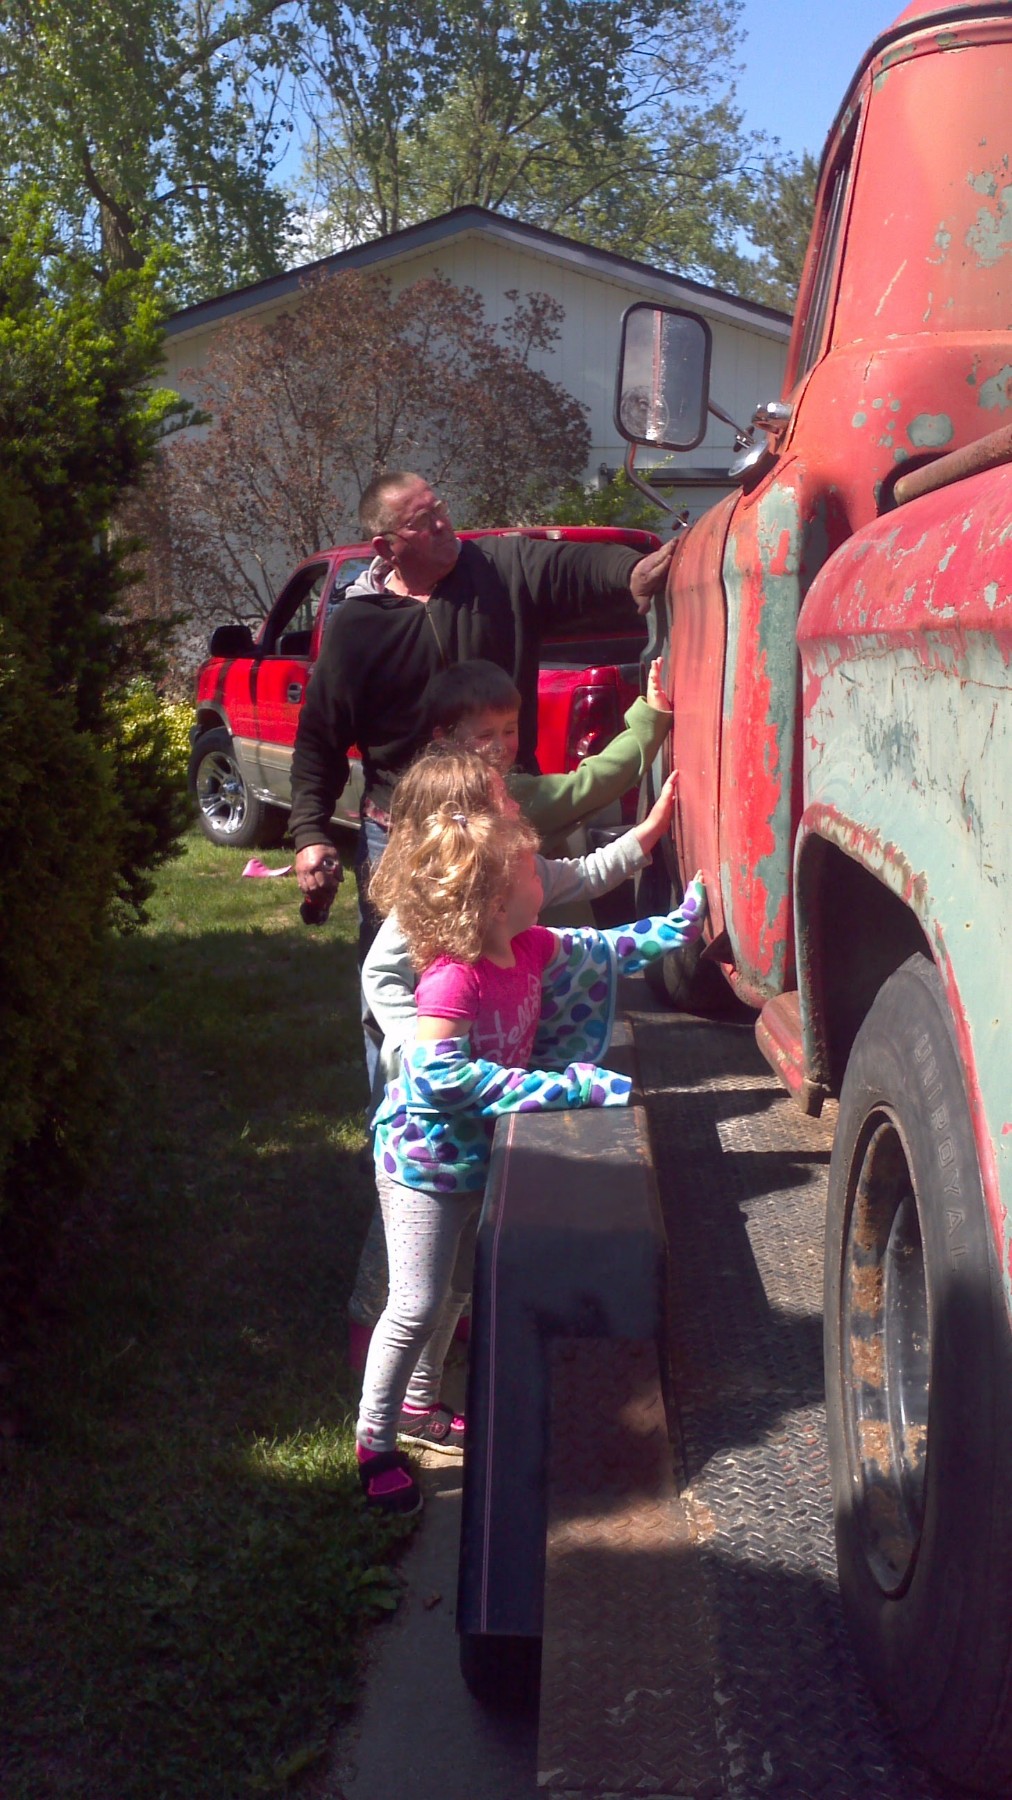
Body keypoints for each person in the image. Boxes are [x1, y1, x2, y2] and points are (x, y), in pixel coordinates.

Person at [353, 747, 705, 1513]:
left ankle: (418, 1404)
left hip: (467, 1157)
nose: (546, 876)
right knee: (413, 1304)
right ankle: (373, 1441)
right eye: (531, 872)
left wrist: (676, 929)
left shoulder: (526, 945)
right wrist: (559, 1087)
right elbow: (442, 1080)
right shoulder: (454, 976)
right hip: (420, 1165)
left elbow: (603, 947)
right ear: (489, 899)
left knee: (450, 1296)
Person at [289, 470, 677, 965]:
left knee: (505, 955)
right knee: (401, 967)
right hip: (403, 830)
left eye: (441, 509)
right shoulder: (359, 630)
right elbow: (320, 739)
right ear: (385, 548)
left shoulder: (498, 566)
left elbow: (570, 565)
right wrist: (310, 834)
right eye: (423, 522)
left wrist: (631, 572)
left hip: (498, 815)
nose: (443, 524)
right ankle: (403, 1046)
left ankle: (506, 1039)